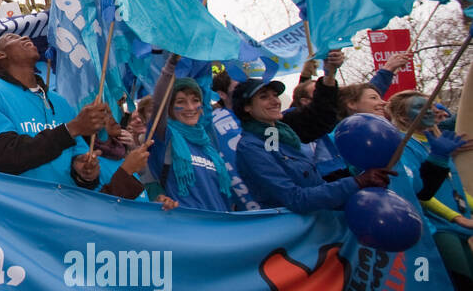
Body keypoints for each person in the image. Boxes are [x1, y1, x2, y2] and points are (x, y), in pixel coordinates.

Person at [0, 31, 148, 199]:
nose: (26, 37)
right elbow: (5, 156)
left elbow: (79, 161)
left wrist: (85, 172)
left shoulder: (60, 101)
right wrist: (71, 128)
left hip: (65, 207)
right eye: (13, 38)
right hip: (21, 207)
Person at [232, 78, 389, 213]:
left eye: (275, 95)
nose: (275, 101)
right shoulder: (251, 147)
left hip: (320, 223)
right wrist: (357, 182)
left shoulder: (281, 137)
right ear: (247, 107)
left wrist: (362, 187)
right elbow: (295, 198)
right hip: (295, 232)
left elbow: (315, 185)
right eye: (264, 97)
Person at [144, 56, 234, 212]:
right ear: (169, 108)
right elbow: (159, 104)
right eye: (181, 102)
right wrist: (170, 66)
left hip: (219, 222)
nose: (190, 107)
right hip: (185, 224)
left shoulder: (208, 144)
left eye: (195, 100)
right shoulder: (164, 136)